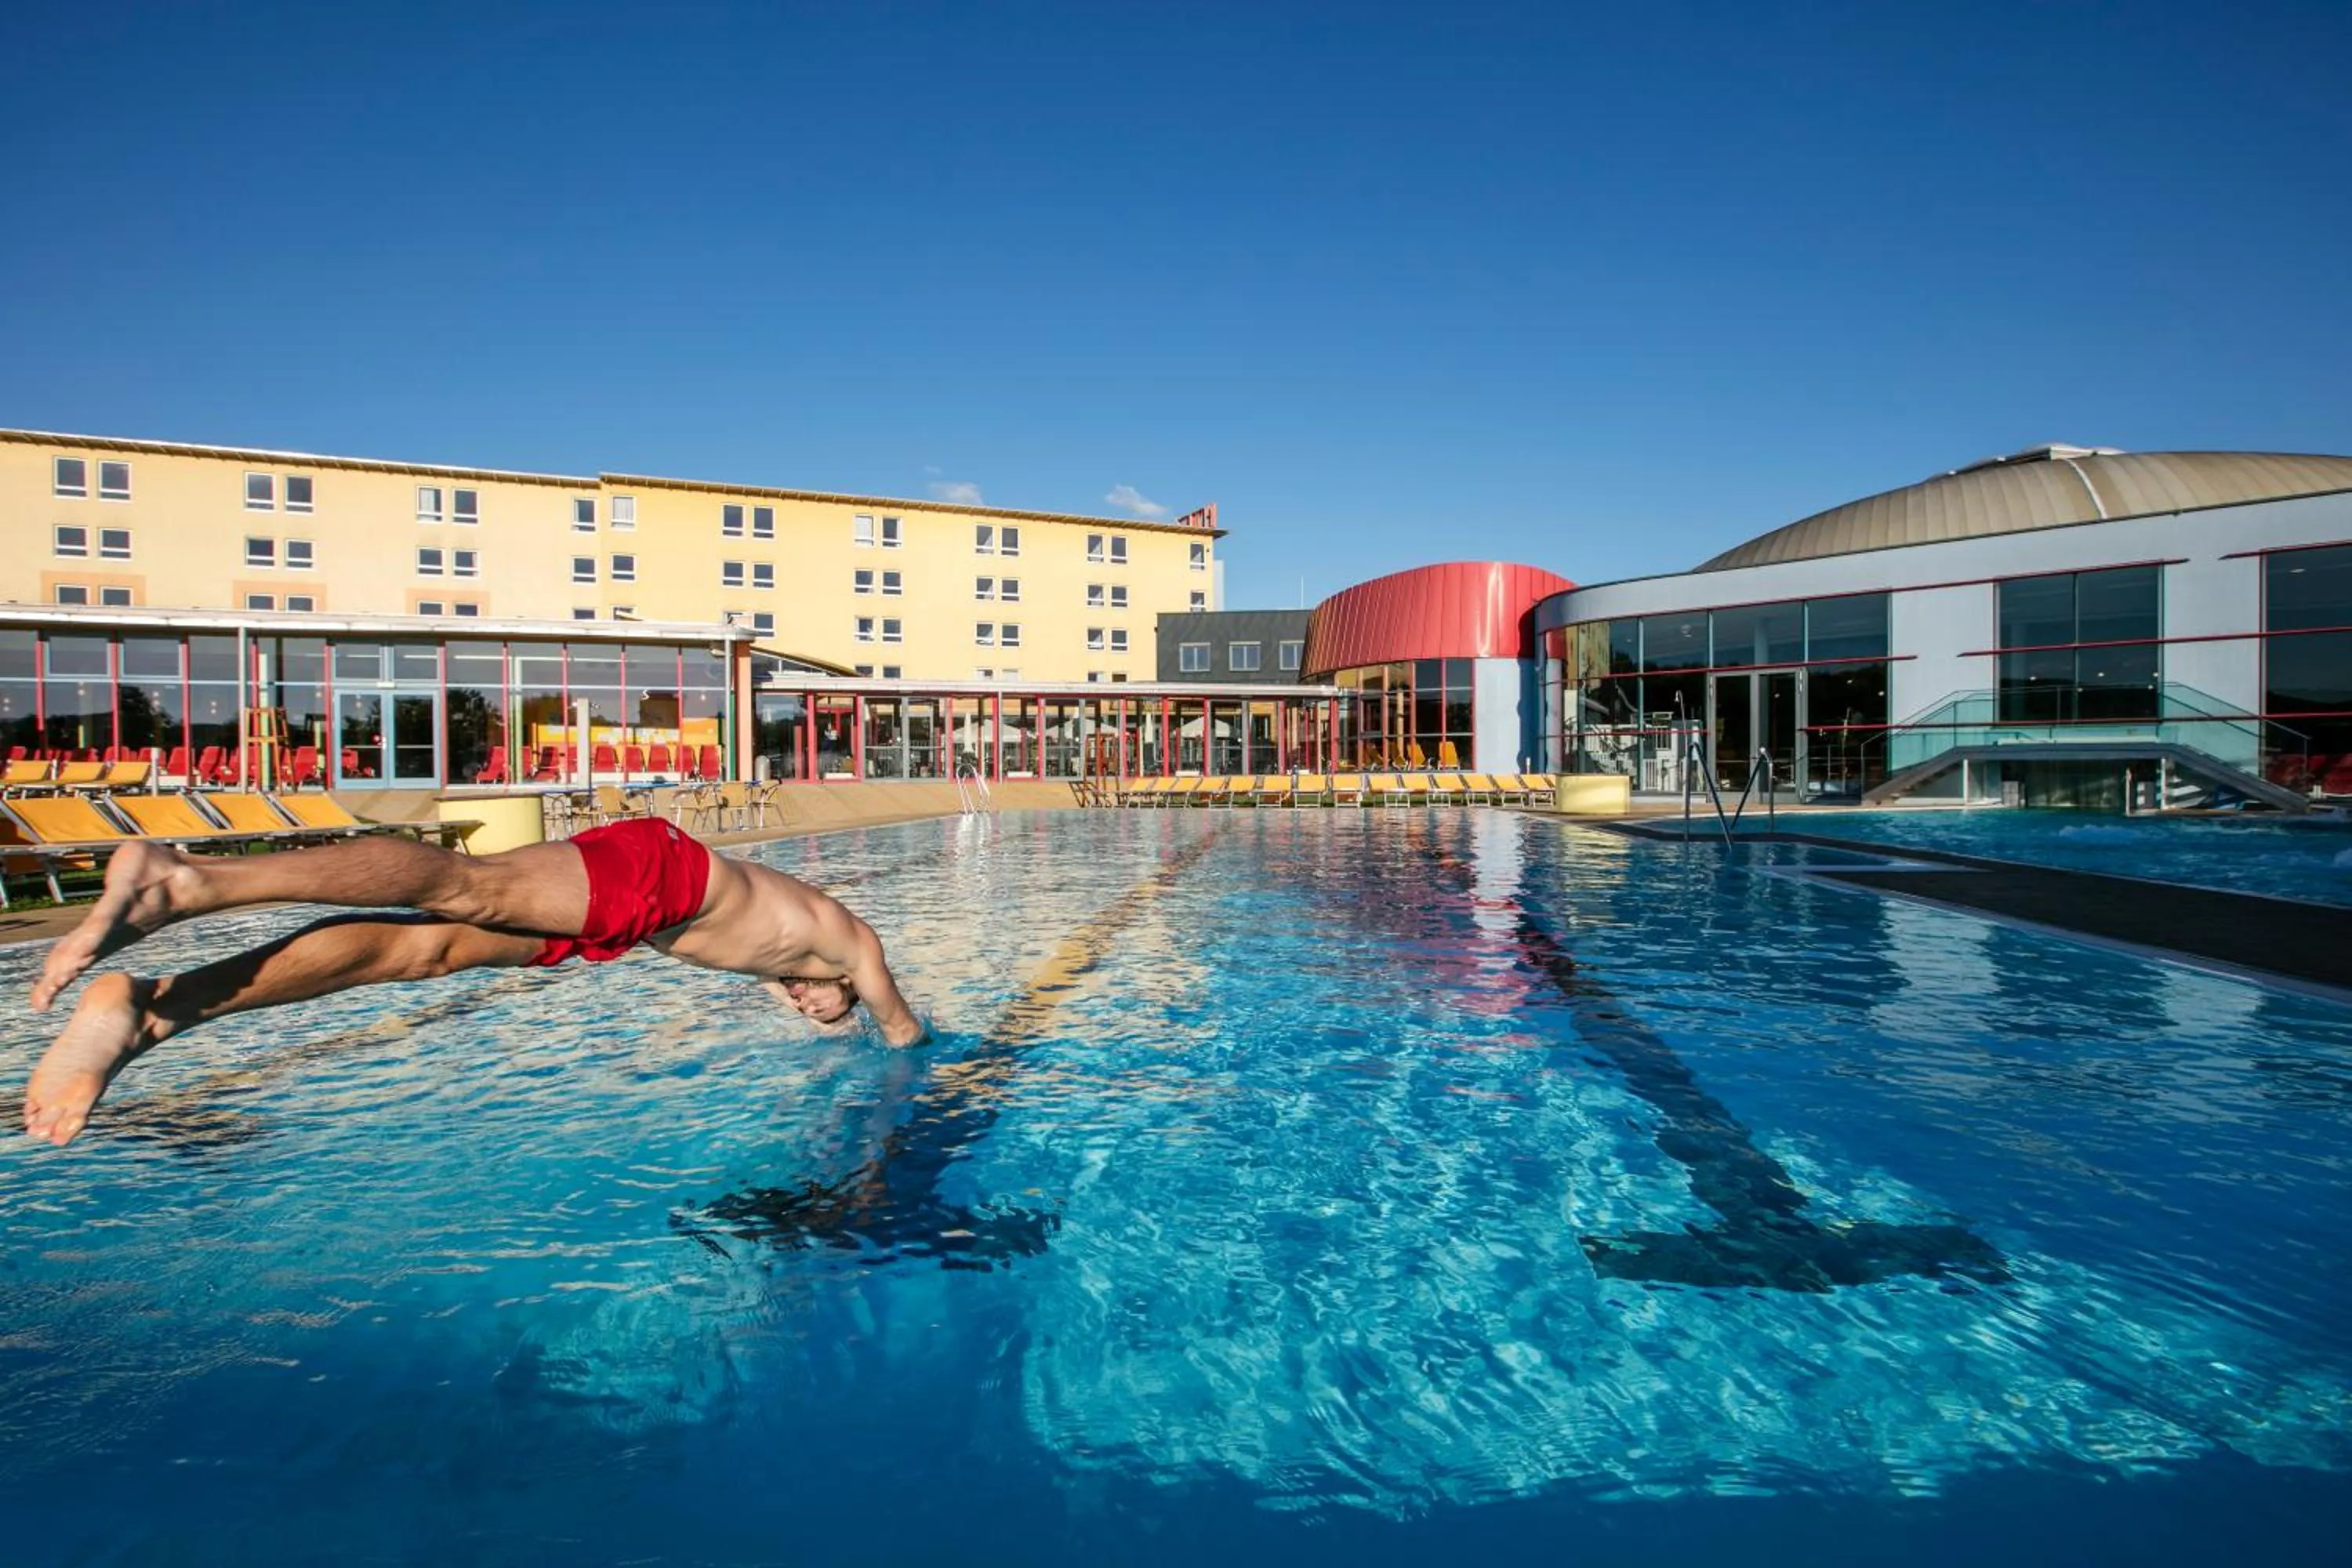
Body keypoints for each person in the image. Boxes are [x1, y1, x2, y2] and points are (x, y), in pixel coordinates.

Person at [21, 818, 927, 1147]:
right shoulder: (852, 949)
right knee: (468, 884)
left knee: (424, 953)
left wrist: (801, 1003)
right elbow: (903, 1031)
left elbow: (772, 968)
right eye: (820, 999)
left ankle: (154, 1010)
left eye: (812, 1007)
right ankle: (190, 878)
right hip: (666, 878)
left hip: (628, 925)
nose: (811, 1003)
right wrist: (924, 1091)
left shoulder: (791, 966)